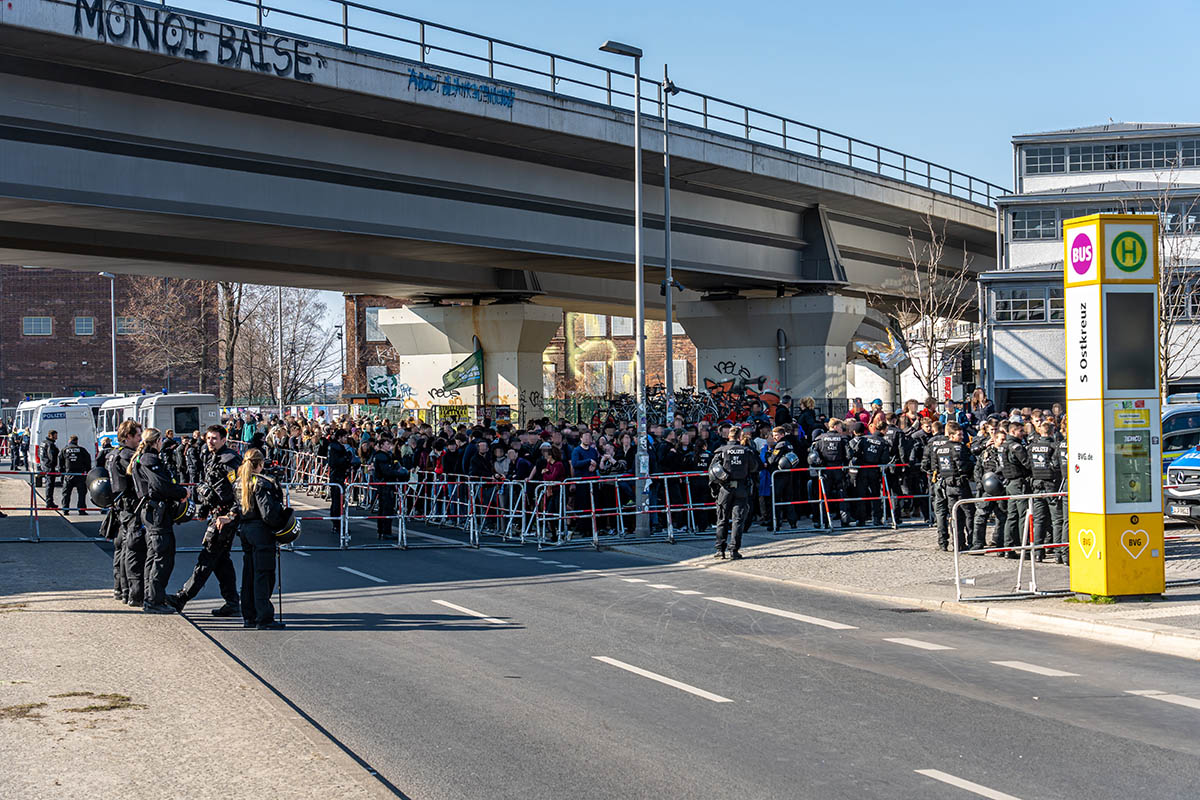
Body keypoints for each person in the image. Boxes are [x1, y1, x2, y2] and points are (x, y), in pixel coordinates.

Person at [168, 425, 243, 616]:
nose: (210, 441)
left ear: (224, 440)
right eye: (208, 438)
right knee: (221, 561)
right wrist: (204, 507)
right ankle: (232, 601)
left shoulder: (230, 460)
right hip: (217, 513)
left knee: (208, 556)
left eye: (215, 438)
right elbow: (212, 487)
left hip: (225, 517)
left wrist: (231, 515)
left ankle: (182, 598)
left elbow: (240, 491)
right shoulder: (211, 457)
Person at [213, 448, 287, 630]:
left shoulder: (240, 481)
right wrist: (283, 523)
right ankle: (264, 618)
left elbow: (238, 507)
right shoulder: (262, 483)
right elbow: (268, 513)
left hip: (245, 530)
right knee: (264, 575)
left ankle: (249, 616)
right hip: (261, 532)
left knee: (249, 574)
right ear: (260, 464)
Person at [129, 427, 189, 614]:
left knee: (153, 556)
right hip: (156, 514)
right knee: (162, 557)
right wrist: (182, 492)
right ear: (156, 442)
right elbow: (160, 485)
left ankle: (152, 596)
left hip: (152, 513)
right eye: (160, 440)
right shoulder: (150, 459)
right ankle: (154, 600)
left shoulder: (142, 458)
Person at [107, 420, 143, 605]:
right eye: (137, 436)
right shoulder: (128, 456)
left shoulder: (112, 454)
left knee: (120, 549)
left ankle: (119, 589)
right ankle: (129, 591)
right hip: (131, 506)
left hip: (119, 507)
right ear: (128, 436)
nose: (140, 439)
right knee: (132, 550)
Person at [711, 426, 759, 559]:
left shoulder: (721, 451)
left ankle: (720, 550)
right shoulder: (746, 451)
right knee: (737, 520)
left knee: (722, 519)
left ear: (729, 437)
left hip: (725, 489)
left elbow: (712, 471)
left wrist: (715, 489)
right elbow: (754, 467)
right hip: (741, 488)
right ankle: (734, 550)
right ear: (739, 437)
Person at [927, 422, 975, 551]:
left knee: (955, 515)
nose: (962, 436)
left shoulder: (939, 449)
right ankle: (971, 541)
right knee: (969, 513)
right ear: (951, 435)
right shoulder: (959, 448)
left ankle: (957, 543)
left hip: (947, 485)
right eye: (959, 434)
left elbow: (934, 466)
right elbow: (964, 466)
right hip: (960, 484)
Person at [1027, 419, 1062, 563]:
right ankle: (1059, 552)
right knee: (1057, 519)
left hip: (1037, 485)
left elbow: (1029, 464)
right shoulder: (1054, 446)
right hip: (1050, 485)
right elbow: (1057, 465)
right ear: (1052, 432)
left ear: (1040, 431)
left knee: (1038, 520)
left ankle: (1037, 553)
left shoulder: (1032, 447)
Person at [1000, 421, 1032, 559]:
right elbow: (1028, 464)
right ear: (1013, 432)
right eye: (1020, 431)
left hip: (1009, 483)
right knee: (1023, 515)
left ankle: (1009, 547)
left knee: (1011, 516)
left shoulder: (1003, 446)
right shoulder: (1016, 447)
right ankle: (1024, 547)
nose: (1023, 433)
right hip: (1018, 483)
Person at [847, 420, 890, 526]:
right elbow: (884, 459)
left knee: (861, 495)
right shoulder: (884, 442)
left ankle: (861, 520)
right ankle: (876, 519)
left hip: (862, 469)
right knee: (875, 495)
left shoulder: (864, 439)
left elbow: (855, 453)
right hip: (874, 470)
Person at [971, 428, 1007, 551]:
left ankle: (999, 543)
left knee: (1002, 517)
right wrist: (980, 484)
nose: (1003, 442)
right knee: (981, 516)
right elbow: (977, 469)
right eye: (1001, 439)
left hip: (1002, 488)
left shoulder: (1006, 453)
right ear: (995, 440)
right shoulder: (986, 453)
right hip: (987, 489)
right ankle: (978, 543)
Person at [371, 437, 402, 539]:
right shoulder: (381, 456)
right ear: (381, 446)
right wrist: (397, 473)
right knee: (386, 508)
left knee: (384, 508)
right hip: (385, 484)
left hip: (385, 483)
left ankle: (383, 531)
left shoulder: (385, 456)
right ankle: (385, 531)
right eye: (387, 444)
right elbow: (386, 471)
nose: (389, 446)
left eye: (389, 444)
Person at [326, 429, 352, 536]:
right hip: (337, 476)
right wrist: (347, 457)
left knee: (339, 501)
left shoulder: (337, 447)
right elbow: (335, 462)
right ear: (339, 437)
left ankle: (338, 523)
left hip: (339, 476)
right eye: (345, 437)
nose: (346, 439)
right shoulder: (335, 447)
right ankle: (337, 524)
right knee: (337, 501)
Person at [60, 434, 91, 515]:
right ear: (77, 441)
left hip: (68, 474)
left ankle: (65, 509)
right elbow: (88, 461)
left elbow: (60, 462)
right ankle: (81, 510)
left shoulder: (65, 450)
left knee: (66, 493)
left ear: (69, 441)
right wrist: (87, 471)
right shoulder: (82, 450)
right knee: (81, 493)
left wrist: (62, 473)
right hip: (80, 475)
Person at [40, 429, 60, 509]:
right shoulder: (50, 444)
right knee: (50, 485)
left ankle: (49, 501)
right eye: (55, 435)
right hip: (49, 467)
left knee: (49, 484)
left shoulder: (43, 443)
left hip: (44, 465)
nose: (56, 437)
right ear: (50, 435)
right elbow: (51, 456)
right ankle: (49, 502)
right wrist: (53, 465)